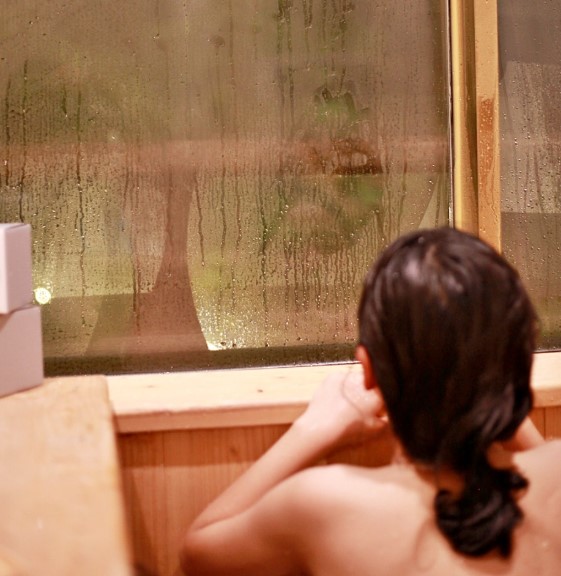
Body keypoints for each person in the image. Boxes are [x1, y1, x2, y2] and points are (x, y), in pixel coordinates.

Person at [180, 227, 561, 576]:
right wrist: (496, 400)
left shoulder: (327, 505)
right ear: (519, 363)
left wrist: (314, 429)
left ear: (369, 370)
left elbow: (196, 554)